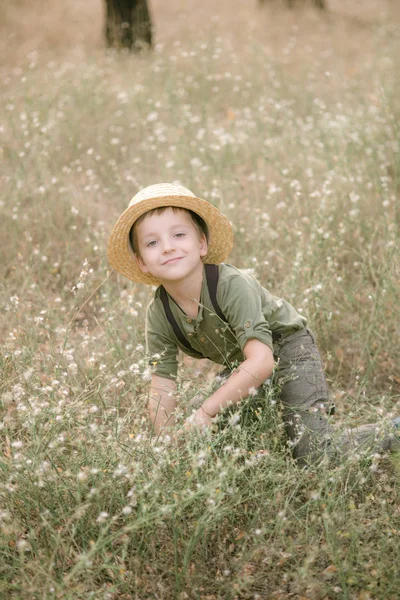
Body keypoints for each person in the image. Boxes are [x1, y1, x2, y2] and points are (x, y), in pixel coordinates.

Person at [108, 183, 400, 465]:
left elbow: (261, 362)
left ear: (201, 244)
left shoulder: (232, 285)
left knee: (314, 456)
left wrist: (207, 412)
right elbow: (162, 386)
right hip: (243, 365)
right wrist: (167, 444)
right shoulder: (159, 312)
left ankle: (392, 429)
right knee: (202, 434)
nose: (168, 248)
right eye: (152, 242)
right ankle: (270, 421)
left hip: (288, 351)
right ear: (141, 262)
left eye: (179, 235)